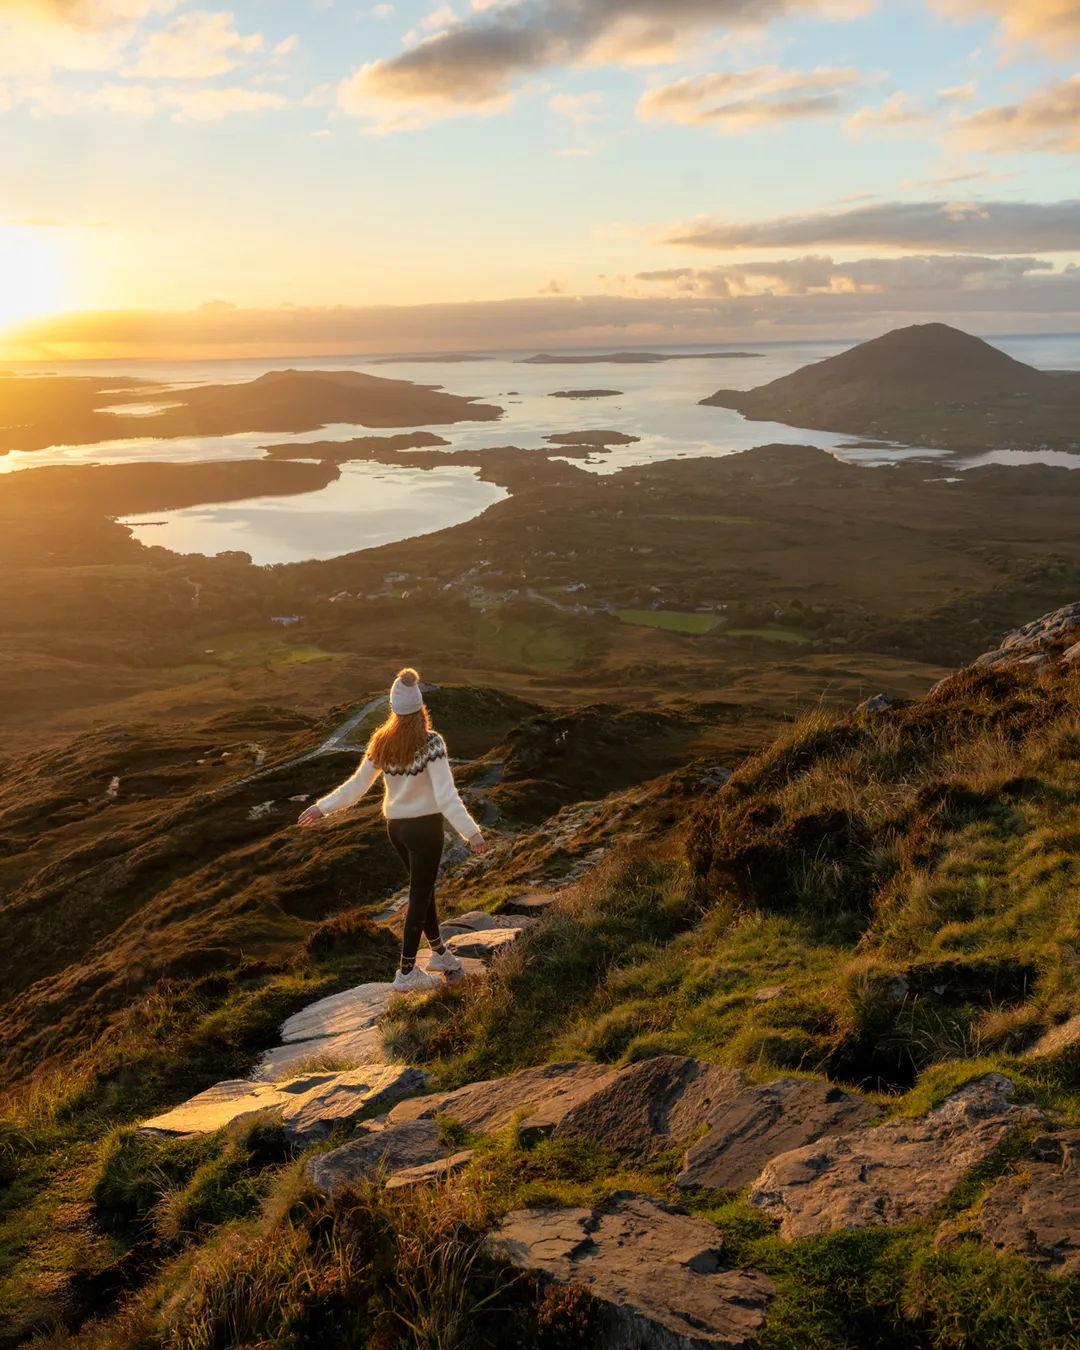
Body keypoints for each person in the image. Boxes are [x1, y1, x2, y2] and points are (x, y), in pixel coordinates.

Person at [297, 668, 486, 991]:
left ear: (394, 709)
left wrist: (321, 807)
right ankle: (407, 972)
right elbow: (446, 795)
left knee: (423, 891)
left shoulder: (381, 741)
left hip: (395, 829)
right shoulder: (432, 743)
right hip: (425, 829)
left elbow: (356, 787)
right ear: (420, 708)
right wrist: (472, 832)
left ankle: (439, 952)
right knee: (419, 895)